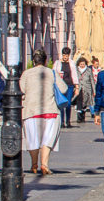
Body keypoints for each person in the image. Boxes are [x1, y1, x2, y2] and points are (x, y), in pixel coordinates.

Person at [21, 48, 68, 176]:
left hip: (31, 111)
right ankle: (44, 164)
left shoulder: (26, 74)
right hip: (50, 111)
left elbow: (21, 91)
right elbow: (63, 88)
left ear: (33, 61)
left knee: (32, 138)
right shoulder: (51, 73)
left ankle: (34, 164)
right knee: (48, 138)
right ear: (45, 60)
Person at [52, 47, 78, 128]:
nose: (65, 57)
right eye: (64, 55)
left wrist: (76, 86)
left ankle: (68, 121)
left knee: (68, 103)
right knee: (62, 103)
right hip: (61, 86)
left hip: (70, 85)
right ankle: (62, 122)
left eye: (66, 55)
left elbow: (74, 74)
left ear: (69, 55)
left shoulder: (71, 63)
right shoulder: (57, 63)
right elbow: (53, 73)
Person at [75, 56, 95, 123]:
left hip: (87, 88)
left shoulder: (89, 70)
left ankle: (83, 115)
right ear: (78, 64)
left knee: (85, 103)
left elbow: (92, 80)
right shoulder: (76, 70)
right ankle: (79, 117)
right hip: (79, 88)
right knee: (79, 101)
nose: (82, 65)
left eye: (83, 64)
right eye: (81, 64)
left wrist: (94, 90)